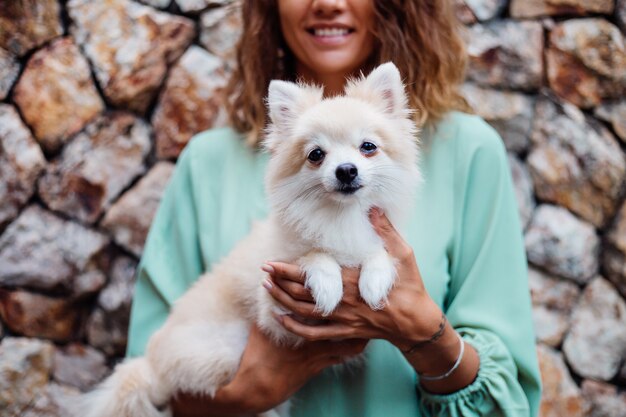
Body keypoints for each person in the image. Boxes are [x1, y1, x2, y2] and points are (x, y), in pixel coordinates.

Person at [125, 0, 542, 416]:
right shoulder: (206, 162)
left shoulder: (470, 152)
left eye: (366, 147)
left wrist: (423, 335)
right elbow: (151, 375)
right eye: (316, 154)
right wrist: (245, 394)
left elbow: (509, 401)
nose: (327, 4)